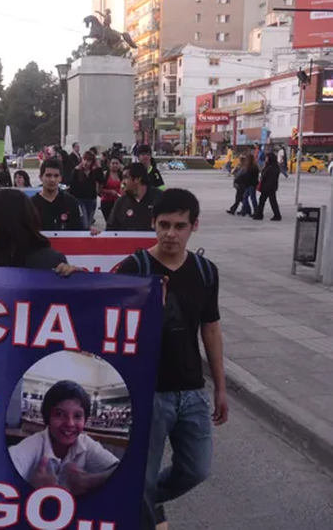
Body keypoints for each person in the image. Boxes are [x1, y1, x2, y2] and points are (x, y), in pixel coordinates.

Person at [115, 189, 228, 530]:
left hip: (191, 389)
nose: (170, 234)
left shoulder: (206, 271)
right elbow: (108, 324)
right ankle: (143, 508)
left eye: (180, 226)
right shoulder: (135, 268)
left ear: (194, 226)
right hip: (147, 391)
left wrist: (220, 387)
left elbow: (210, 328)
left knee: (196, 470)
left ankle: (140, 500)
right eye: (163, 225)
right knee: (142, 476)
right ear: (153, 223)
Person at [9, 380, 118, 496]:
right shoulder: (32, 446)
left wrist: (90, 481)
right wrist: (29, 491)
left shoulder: (85, 443)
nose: (70, 423)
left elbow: (122, 471)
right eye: (60, 414)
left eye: (77, 416)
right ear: (47, 417)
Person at [32, 159, 86, 231]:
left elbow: (79, 231)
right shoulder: (31, 205)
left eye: (56, 176)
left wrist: (91, 232)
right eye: (48, 175)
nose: (52, 179)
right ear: (41, 177)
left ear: (60, 178)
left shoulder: (71, 202)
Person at [106, 163, 164, 231]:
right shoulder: (121, 202)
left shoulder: (160, 199)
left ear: (137, 179)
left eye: (126, 177)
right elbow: (110, 229)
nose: (122, 182)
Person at [69, 150, 102, 226]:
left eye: (89, 160)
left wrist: (99, 167)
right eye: (84, 159)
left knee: (89, 222)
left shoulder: (94, 172)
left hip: (91, 199)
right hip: (79, 199)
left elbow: (101, 180)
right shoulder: (76, 171)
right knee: (84, 222)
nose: (86, 162)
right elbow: (72, 187)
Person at [253, 152, 282, 221]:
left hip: (269, 187)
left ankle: (260, 214)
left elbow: (271, 178)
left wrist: (265, 186)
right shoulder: (269, 166)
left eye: (267, 157)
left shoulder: (273, 167)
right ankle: (261, 214)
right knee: (267, 201)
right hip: (267, 187)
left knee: (266, 201)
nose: (266, 159)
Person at [99, 155, 123, 223]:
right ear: (109, 164)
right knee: (110, 222)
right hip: (106, 202)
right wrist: (110, 192)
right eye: (113, 163)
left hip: (119, 202)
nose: (115, 165)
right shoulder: (105, 175)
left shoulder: (122, 175)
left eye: (117, 163)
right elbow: (99, 190)